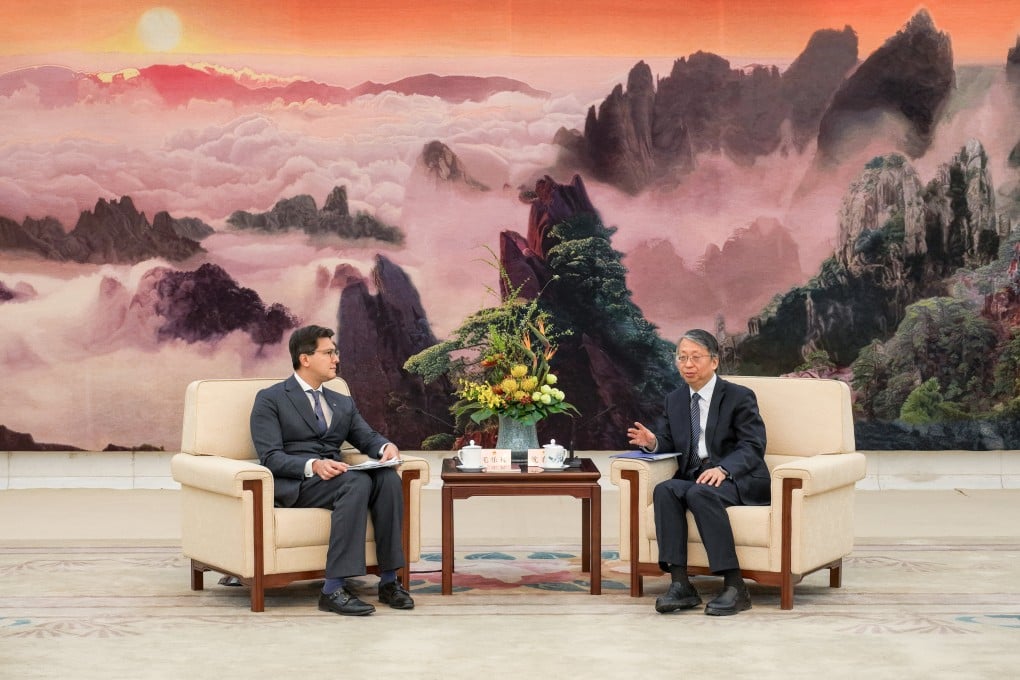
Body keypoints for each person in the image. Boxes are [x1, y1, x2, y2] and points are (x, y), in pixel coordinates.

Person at [250, 324, 414, 616]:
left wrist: (385, 448)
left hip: (337, 477)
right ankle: (333, 589)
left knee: (387, 478)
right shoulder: (271, 399)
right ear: (305, 358)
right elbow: (270, 457)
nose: (336, 359)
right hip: (300, 483)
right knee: (356, 483)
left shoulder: (341, 400)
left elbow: (367, 436)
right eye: (328, 353)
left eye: (335, 352)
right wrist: (313, 465)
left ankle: (389, 581)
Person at [626, 329, 769, 616]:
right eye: (682, 358)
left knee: (701, 493)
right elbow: (671, 442)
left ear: (714, 361)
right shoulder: (675, 400)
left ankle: (734, 585)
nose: (687, 364)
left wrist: (724, 468)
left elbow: (753, 445)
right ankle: (680, 585)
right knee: (665, 490)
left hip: (737, 478)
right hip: (694, 477)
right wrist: (653, 443)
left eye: (695, 357)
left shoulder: (739, 396)